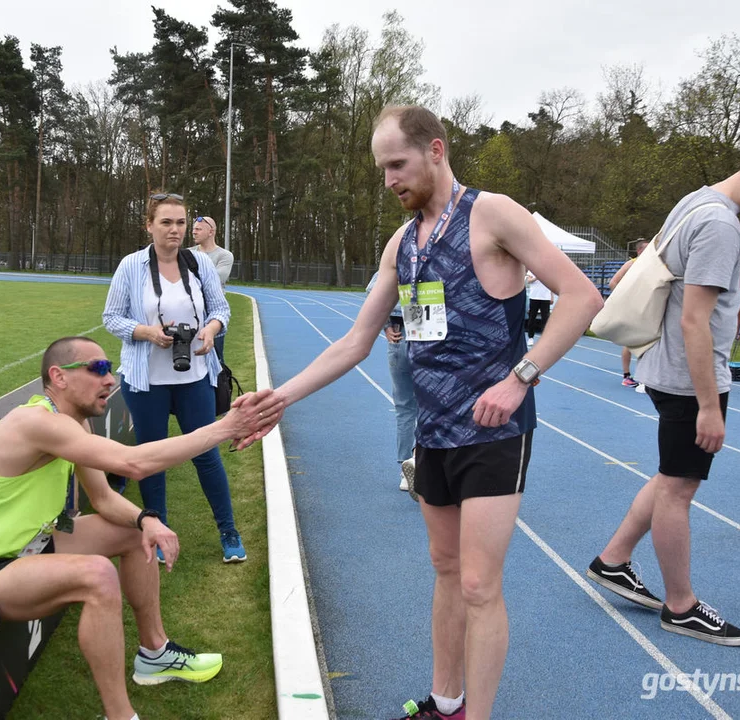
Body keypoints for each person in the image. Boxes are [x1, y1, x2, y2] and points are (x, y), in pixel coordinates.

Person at [235, 105, 603, 720]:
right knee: (445, 568)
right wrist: (280, 399)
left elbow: (583, 296)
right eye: (381, 170)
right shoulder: (402, 244)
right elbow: (356, 340)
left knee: (482, 585)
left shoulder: (493, 214)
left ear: (436, 150)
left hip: (495, 431)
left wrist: (520, 380)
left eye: (397, 165)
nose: (389, 181)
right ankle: (446, 702)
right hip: (433, 432)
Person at [0, 336, 282, 720]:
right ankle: (120, 716)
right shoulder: (35, 423)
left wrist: (146, 520)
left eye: (109, 368)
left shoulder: (72, 425)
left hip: (27, 548)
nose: (110, 379)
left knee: (134, 533)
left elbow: (102, 497)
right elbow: (132, 464)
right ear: (58, 377)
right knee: (98, 576)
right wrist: (224, 428)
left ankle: (154, 653)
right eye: (97, 369)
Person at [587, 145, 740, 647]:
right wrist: (710, 406)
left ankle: (612, 560)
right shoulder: (722, 224)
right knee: (679, 489)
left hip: (664, 367)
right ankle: (681, 606)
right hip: (689, 378)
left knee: (673, 475)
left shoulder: (697, 201)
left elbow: (682, 276)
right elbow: (694, 319)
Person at [103, 193, 247, 563]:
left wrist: (212, 330)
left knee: (206, 454)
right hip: (146, 379)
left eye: (181, 222)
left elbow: (220, 309)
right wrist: (147, 332)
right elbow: (112, 318)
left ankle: (228, 531)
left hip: (194, 375)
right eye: (166, 222)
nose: (175, 230)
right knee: (151, 459)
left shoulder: (199, 263)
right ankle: (159, 532)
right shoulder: (131, 266)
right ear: (149, 225)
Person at [367, 270, 419, 495]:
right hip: (427, 334)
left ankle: (406, 470)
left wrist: (386, 325)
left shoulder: (398, 257)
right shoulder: (441, 256)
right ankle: (423, 463)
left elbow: (372, 292)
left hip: (399, 335)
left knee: (405, 408)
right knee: (434, 407)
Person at [191, 215, 235, 358]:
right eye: (193, 229)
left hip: (213, 316)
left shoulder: (224, 256)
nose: (194, 232)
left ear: (211, 232)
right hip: (191, 313)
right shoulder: (187, 253)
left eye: (198, 229)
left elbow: (216, 280)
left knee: (216, 360)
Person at [608, 239, 650, 387]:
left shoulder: (652, 265)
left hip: (647, 307)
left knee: (647, 341)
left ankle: (645, 376)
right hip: (632, 307)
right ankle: (627, 375)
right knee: (630, 341)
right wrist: (624, 299)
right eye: (647, 249)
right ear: (639, 251)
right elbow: (613, 282)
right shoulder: (631, 264)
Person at [524, 269, 554, 347]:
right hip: (534, 297)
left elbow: (551, 285)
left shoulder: (549, 272)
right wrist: (537, 278)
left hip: (545, 298)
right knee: (532, 318)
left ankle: (544, 339)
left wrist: (552, 296)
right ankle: (530, 338)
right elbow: (528, 281)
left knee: (545, 319)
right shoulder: (532, 270)